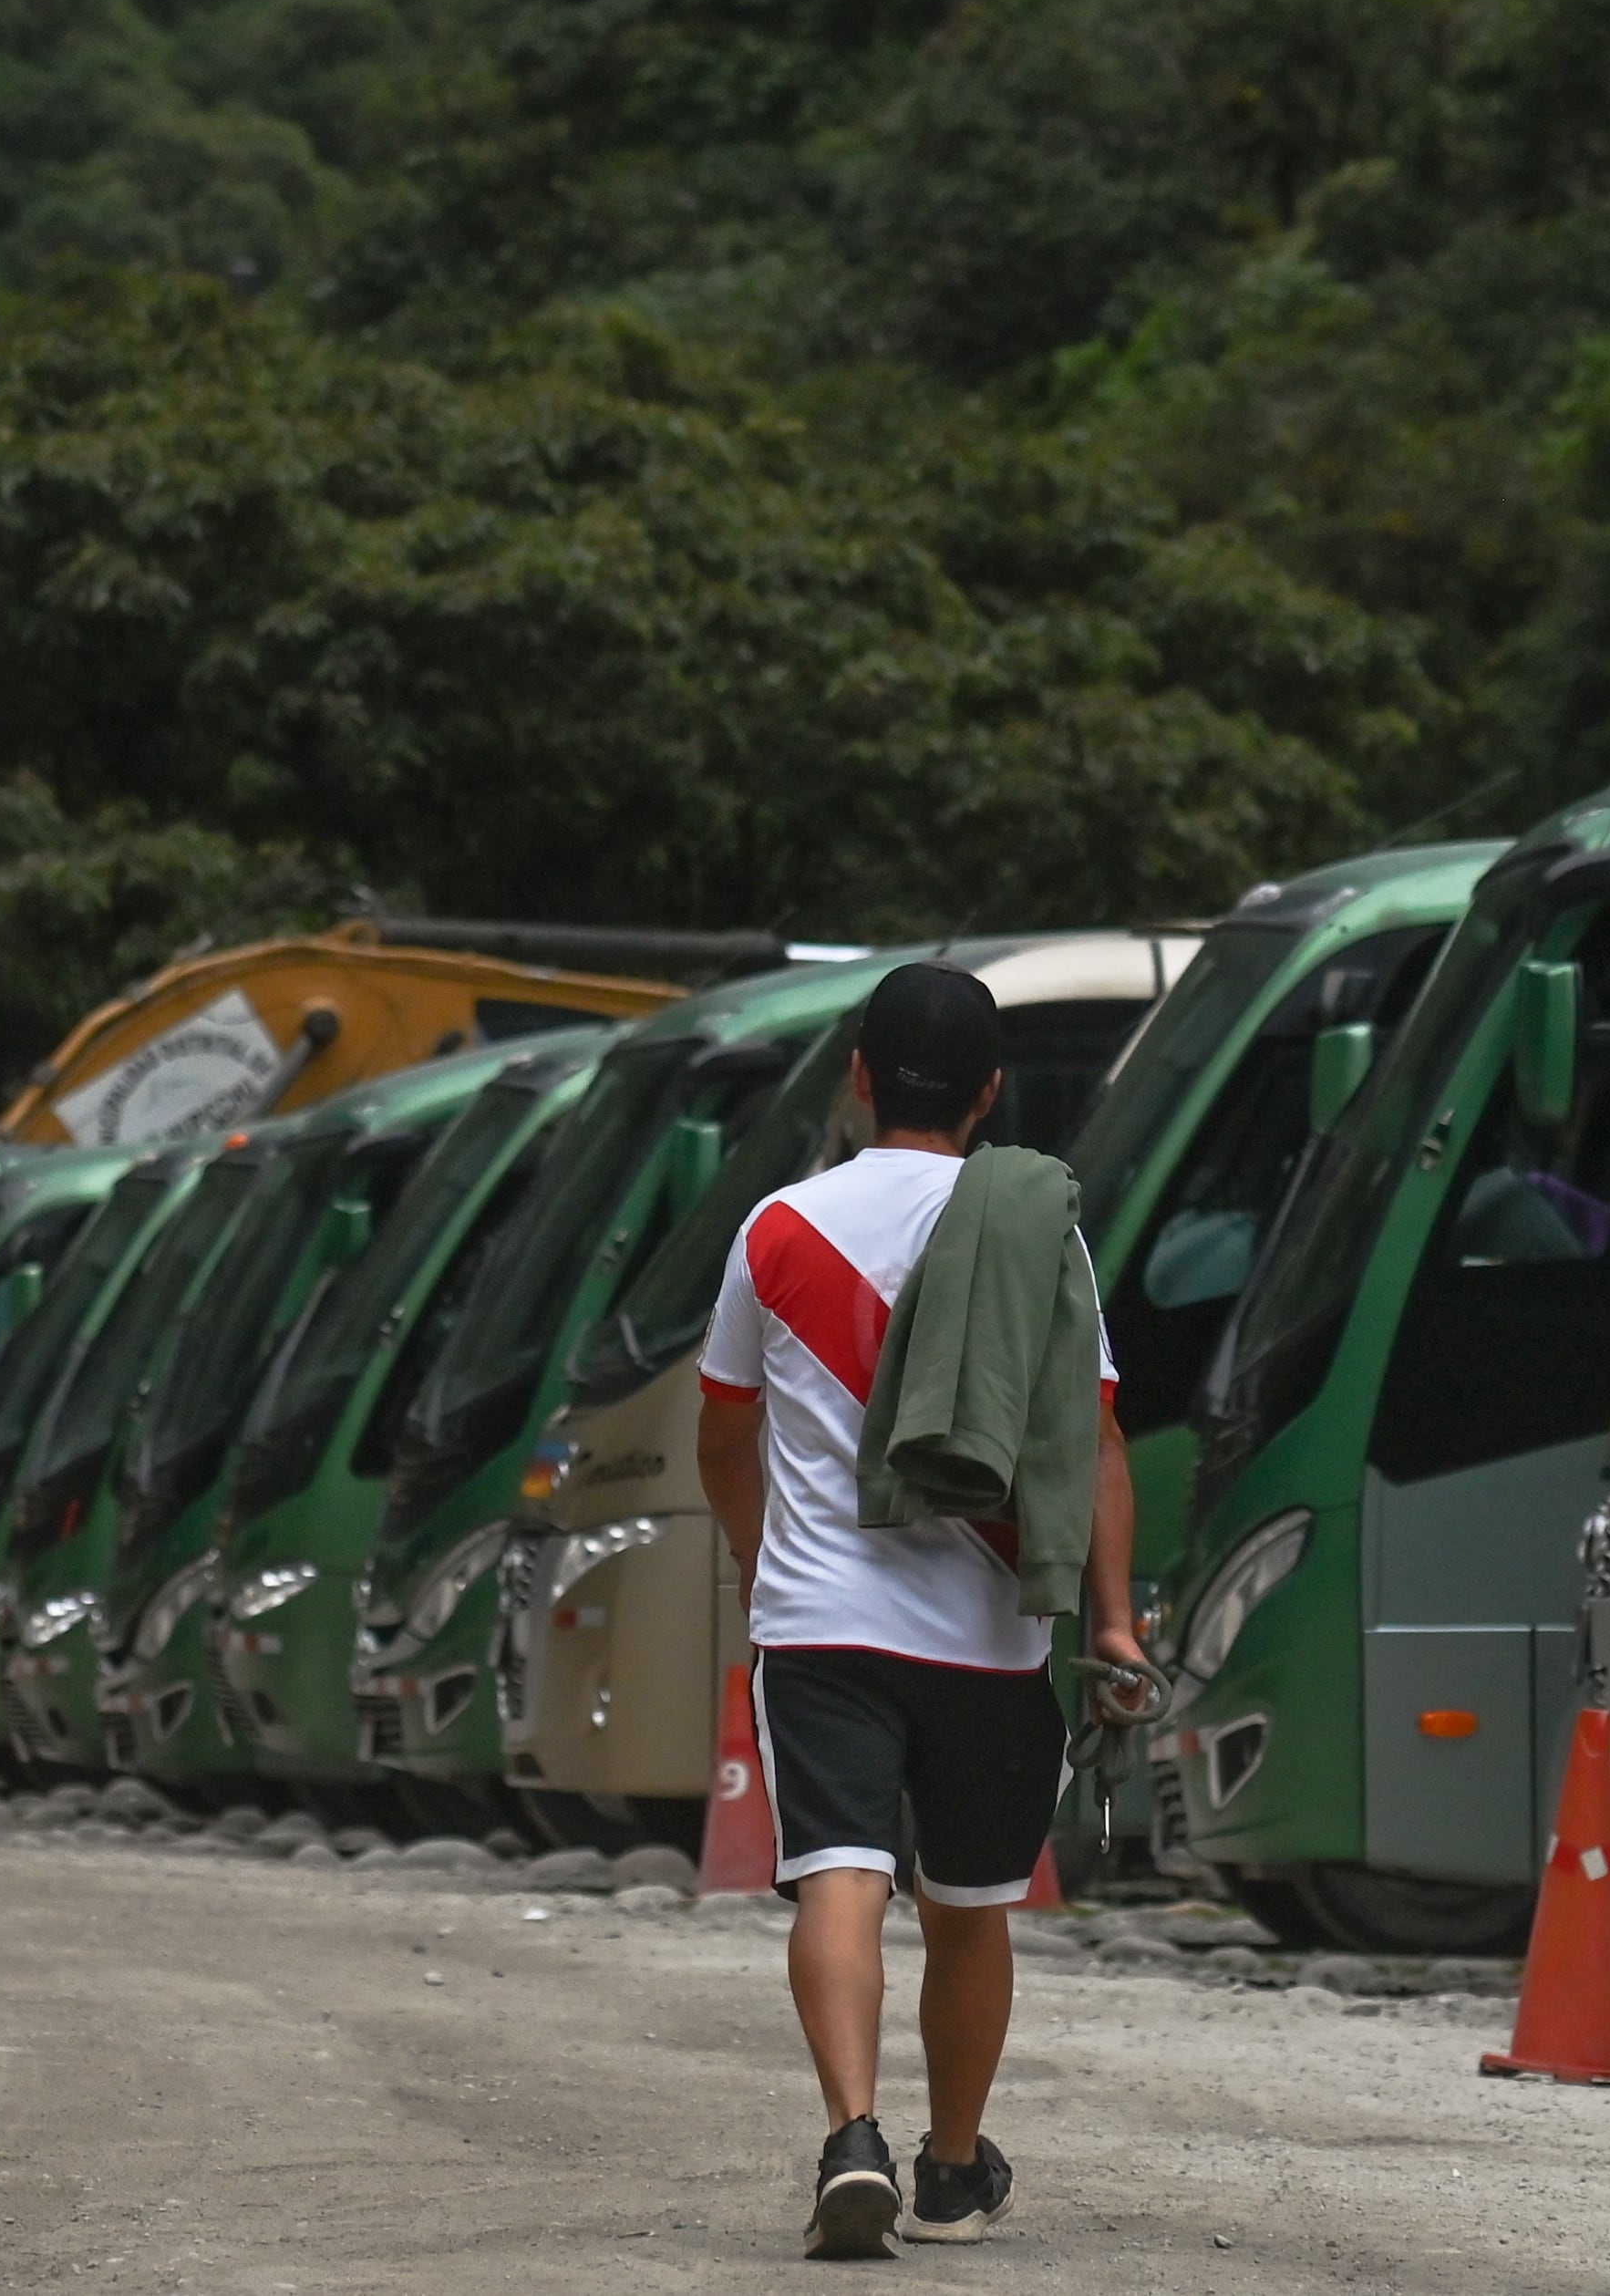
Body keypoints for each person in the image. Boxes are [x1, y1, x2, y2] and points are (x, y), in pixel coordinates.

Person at [695, 961, 1146, 2258]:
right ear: (992, 1092)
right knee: (969, 1902)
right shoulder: (1033, 1225)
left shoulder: (777, 1227)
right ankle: (951, 2165)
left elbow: (724, 1432)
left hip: (822, 1620)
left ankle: (852, 2136)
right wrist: (1110, 1621)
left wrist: (758, 1564)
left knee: (840, 1868)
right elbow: (1091, 1440)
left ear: (856, 1078)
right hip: (988, 1632)